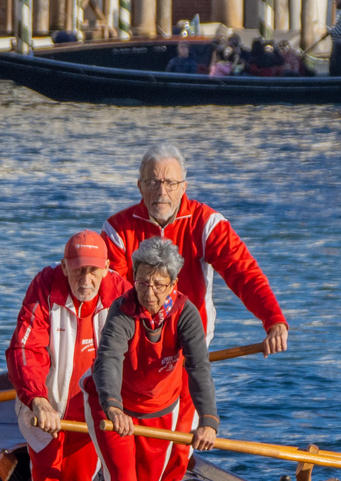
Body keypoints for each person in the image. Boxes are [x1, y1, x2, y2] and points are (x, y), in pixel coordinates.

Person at [102, 143, 289, 355]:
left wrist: (274, 321)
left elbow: (244, 274)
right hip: (134, 348)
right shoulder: (116, 230)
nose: (162, 192)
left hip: (191, 347)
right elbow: (114, 294)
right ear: (140, 186)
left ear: (183, 187)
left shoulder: (207, 224)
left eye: (170, 183)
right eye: (153, 183)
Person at [3, 231, 130, 481]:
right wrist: (38, 400)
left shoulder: (121, 293)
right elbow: (25, 349)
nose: (86, 280)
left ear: (107, 268)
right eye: (78, 270)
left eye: (93, 270)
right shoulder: (45, 286)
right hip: (46, 408)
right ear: (64, 267)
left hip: (93, 413)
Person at [90, 237, 215, 481]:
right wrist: (113, 407)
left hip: (159, 408)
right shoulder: (123, 309)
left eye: (158, 285)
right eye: (143, 283)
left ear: (173, 284)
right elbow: (109, 358)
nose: (149, 293)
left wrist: (208, 421)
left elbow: (198, 366)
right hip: (115, 408)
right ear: (134, 277)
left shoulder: (186, 313)